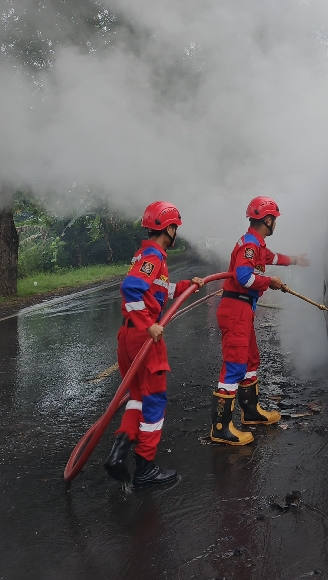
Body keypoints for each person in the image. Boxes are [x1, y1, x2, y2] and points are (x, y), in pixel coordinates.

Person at [103, 202, 203, 488]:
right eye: (175, 228)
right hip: (144, 338)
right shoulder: (153, 256)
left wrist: (187, 286)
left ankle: (118, 454)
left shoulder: (147, 255)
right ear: (168, 228)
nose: (176, 233)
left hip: (128, 336)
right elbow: (131, 288)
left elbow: (159, 290)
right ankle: (145, 467)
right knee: (155, 400)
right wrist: (149, 324)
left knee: (137, 396)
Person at [210, 196, 309, 446]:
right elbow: (243, 277)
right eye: (274, 219)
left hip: (243, 309)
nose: (276, 223)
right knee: (234, 366)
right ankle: (221, 428)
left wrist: (295, 260)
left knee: (251, 360)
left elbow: (272, 258)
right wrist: (270, 282)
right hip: (235, 309)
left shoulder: (257, 243)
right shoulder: (250, 246)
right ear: (268, 219)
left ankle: (251, 412)